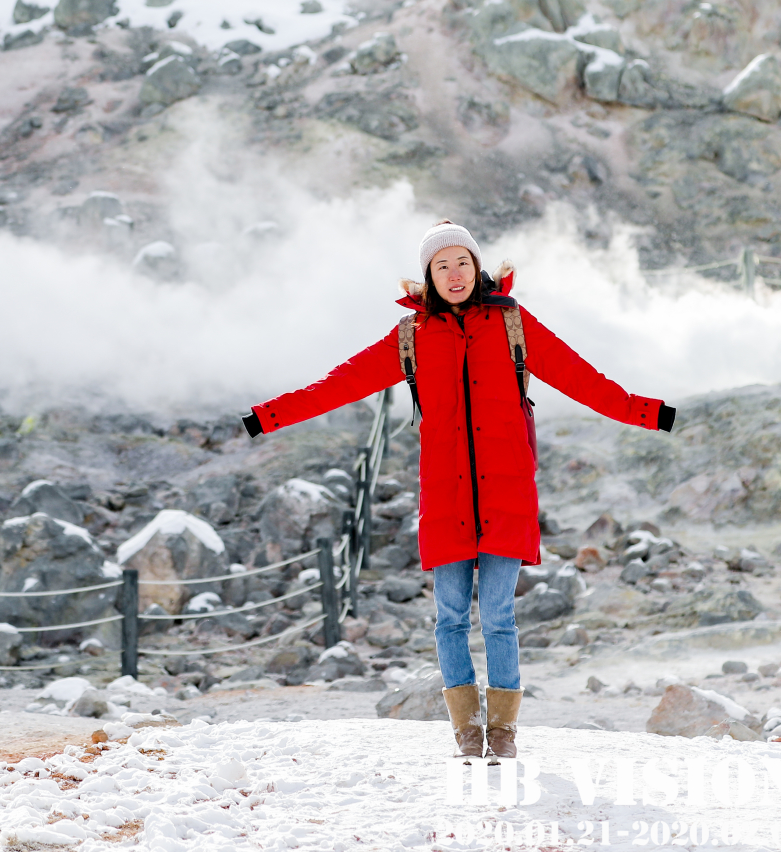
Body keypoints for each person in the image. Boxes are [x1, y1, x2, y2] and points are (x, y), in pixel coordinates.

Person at [241, 220, 677, 760]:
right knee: (449, 617)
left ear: (478, 267)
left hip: (507, 495)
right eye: (441, 264)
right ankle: (467, 732)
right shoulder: (412, 337)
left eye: (462, 262)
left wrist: (650, 414)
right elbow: (339, 384)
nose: (454, 273)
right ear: (428, 275)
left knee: (498, 616)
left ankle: (504, 733)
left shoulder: (513, 323)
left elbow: (582, 379)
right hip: (446, 499)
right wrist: (267, 417)